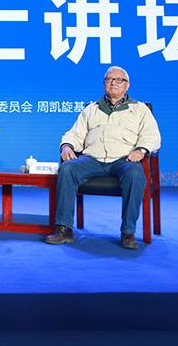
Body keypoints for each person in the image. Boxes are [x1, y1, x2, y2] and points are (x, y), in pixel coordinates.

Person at [45, 66, 160, 250]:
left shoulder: (140, 109)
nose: (113, 83)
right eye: (109, 79)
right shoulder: (91, 109)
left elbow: (152, 135)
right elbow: (75, 134)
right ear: (104, 84)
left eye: (119, 79)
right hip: (93, 158)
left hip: (124, 159)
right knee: (67, 168)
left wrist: (141, 150)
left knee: (135, 174)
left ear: (127, 85)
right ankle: (63, 229)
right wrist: (67, 145)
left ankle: (128, 232)